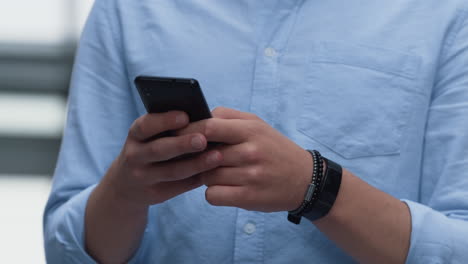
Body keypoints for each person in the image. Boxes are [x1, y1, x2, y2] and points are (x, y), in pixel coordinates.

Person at [43, 0, 468, 263]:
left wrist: (316, 185)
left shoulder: (448, 13)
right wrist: (123, 192)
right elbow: (65, 253)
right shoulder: (128, 9)